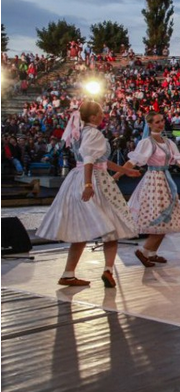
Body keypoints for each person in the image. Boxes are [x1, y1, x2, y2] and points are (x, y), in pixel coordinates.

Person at [36, 102, 141, 288]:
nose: (103, 115)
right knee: (113, 227)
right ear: (92, 117)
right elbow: (90, 160)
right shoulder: (93, 133)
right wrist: (88, 184)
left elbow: (102, 160)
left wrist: (125, 171)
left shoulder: (80, 132)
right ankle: (108, 270)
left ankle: (69, 273)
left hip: (77, 178)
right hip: (95, 180)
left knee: (82, 228)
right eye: (100, 113)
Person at [118, 112, 180, 267]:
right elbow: (133, 161)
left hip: (164, 181)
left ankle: (152, 253)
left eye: (162, 121)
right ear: (150, 124)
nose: (161, 124)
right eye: (157, 122)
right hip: (153, 181)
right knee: (160, 218)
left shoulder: (168, 142)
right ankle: (143, 250)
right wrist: (117, 175)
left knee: (166, 218)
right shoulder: (147, 142)